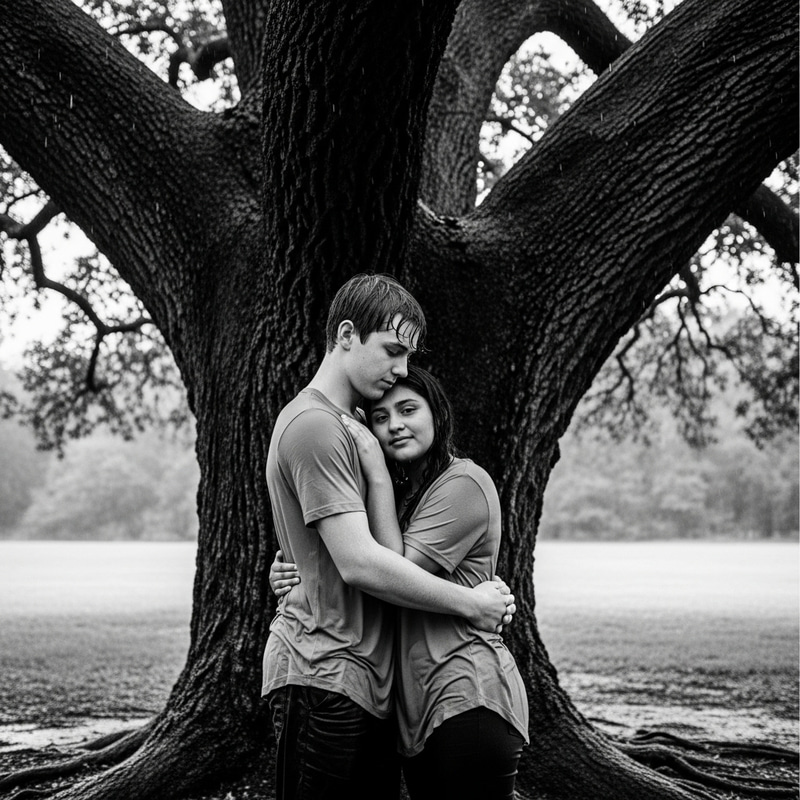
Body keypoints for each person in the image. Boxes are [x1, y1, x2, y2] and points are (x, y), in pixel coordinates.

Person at [263, 273, 515, 800]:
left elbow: (350, 554)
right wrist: (471, 603)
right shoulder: (318, 426)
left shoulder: (353, 428)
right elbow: (360, 563)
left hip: (364, 685)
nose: (403, 369)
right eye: (394, 350)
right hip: (323, 672)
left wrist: (298, 569)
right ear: (347, 335)